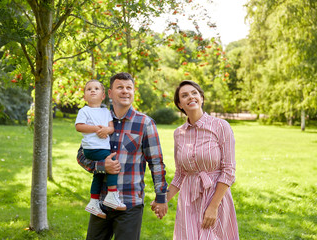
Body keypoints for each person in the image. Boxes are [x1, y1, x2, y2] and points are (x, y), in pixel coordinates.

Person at [77, 72, 168, 240]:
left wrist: (161, 196)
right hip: (101, 202)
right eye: (120, 87)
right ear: (110, 93)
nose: (125, 91)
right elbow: (82, 156)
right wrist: (102, 166)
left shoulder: (145, 123)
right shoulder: (98, 120)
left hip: (130, 202)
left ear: (134, 92)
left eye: (129, 88)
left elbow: (156, 162)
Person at [152, 80, 239, 239]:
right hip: (188, 200)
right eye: (184, 95)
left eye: (194, 93)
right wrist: (162, 199)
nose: (190, 97)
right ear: (180, 104)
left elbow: (228, 171)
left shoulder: (220, 126)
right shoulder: (179, 133)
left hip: (216, 196)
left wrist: (213, 207)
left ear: (202, 98)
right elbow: (180, 174)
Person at [75, 80, 127, 220]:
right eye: (89, 89)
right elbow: (79, 126)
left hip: (102, 147)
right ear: (84, 96)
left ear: (103, 95)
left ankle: (93, 201)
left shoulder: (105, 111)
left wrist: (106, 130)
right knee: (113, 162)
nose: (92, 91)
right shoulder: (84, 111)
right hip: (92, 148)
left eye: (96, 89)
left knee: (98, 173)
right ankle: (112, 194)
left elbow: (111, 128)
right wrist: (97, 129)